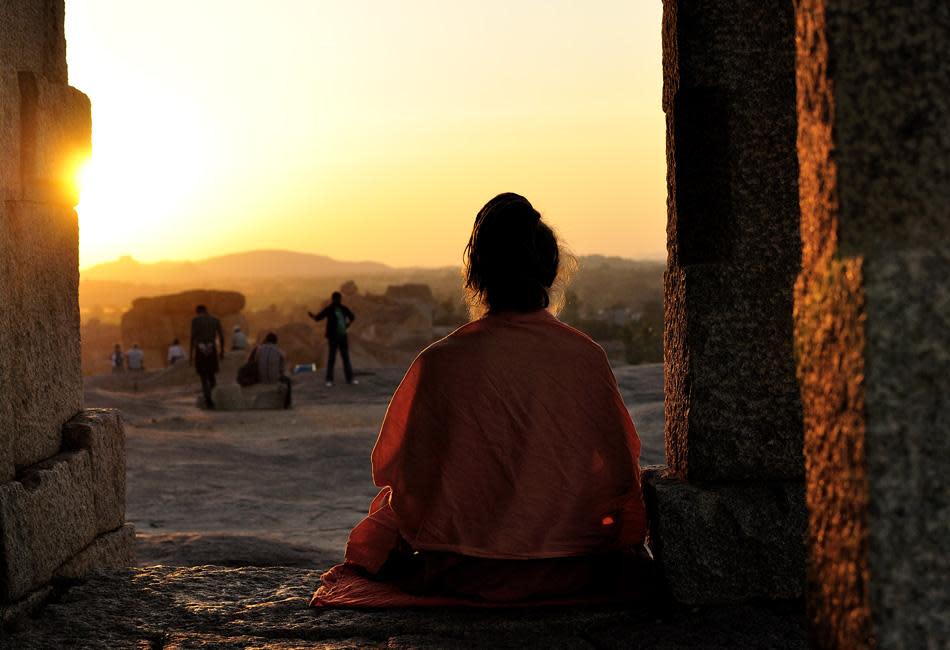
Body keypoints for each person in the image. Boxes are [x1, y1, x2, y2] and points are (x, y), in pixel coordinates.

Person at [311, 193, 648, 608]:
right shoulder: (586, 357)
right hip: (570, 566)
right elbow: (621, 474)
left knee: (385, 515)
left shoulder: (440, 361)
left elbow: (397, 474)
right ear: (550, 271)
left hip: (461, 568)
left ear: (478, 275)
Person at [309, 292, 357, 386]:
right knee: (332, 358)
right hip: (333, 337)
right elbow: (319, 317)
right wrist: (313, 316)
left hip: (342, 336)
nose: (338, 300)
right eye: (337, 299)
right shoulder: (330, 309)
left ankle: (349, 379)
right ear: (334, 299)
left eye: (338, 299)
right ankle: (329, 380)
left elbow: (352, 317)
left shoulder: (343, 308)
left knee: (345, 358)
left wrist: (347, 325)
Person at [190, 304, 225, 409]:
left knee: (203, 376)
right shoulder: (215, 319)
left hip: (200, 349)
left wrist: (191, 355)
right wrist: (222, 351)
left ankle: (208, 399)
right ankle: (215, 397)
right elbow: (221, 337)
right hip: (211, 348)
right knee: (212, 376)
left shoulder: (195, 320)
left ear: (198, 311)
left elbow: (192, 337)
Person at [252, 332, 292, 408]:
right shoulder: (279, 351)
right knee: (288, 381)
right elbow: (282, 369)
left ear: (266, 340)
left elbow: (256, 362)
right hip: (274, 379)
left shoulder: (259, 349)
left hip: (261, 378)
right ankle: (287, 404)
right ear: (275, 341)